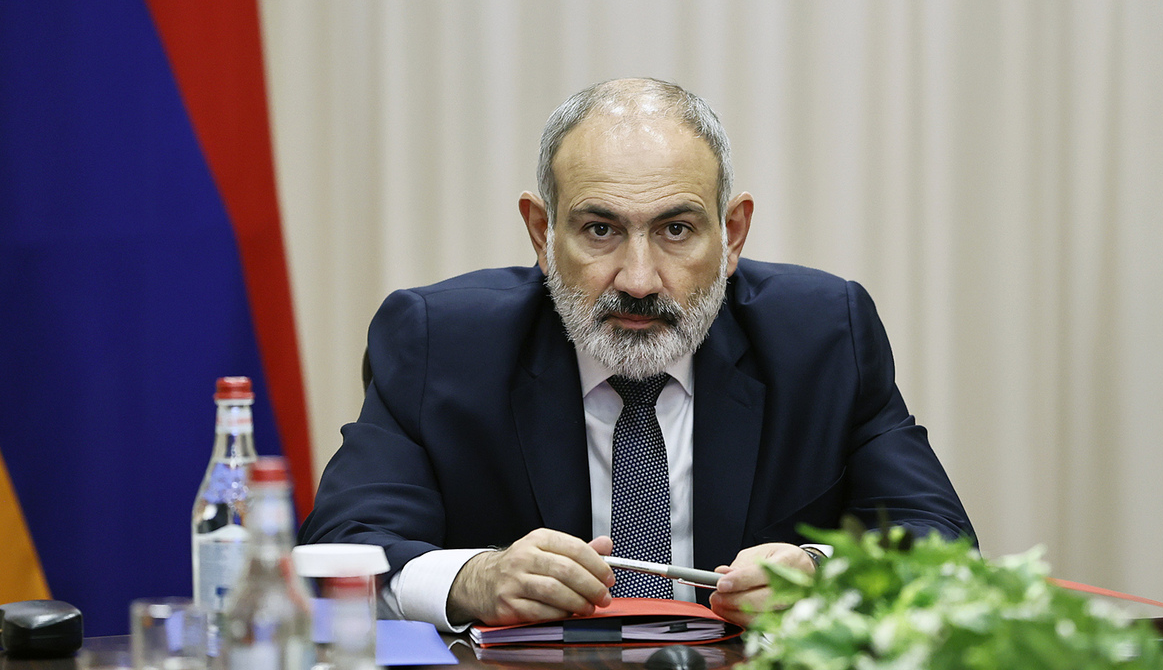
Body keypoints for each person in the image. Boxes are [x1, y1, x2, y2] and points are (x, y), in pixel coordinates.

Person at [298, 78, 973, 631]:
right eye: (600, 230)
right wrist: (473, 579)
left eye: (676, 229)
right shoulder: (439, 344)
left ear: (732, 234)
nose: (640, 280)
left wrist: (822, 572)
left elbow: (942, 543)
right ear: (542, 233)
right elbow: (335, 554)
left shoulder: (823, 336)